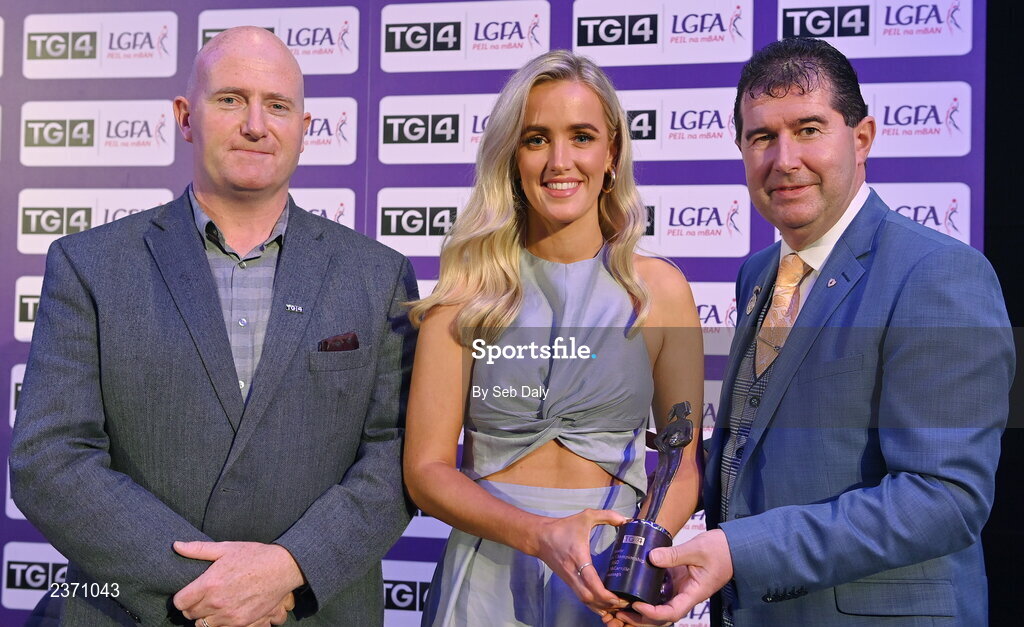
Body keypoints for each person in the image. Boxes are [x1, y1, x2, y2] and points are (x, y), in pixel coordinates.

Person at [10, 26, 416, 627]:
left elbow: (396, 456)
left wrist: (288, 569)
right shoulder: (89, 264)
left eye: (278, 105)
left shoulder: (378, 275)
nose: (256, 124)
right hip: (134, 612)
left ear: (305, 130)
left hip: (310, 610)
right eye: (230, 99)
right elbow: (50, 459)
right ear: (184, 116)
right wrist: (214, 588)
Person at [624, 37, 1014, 626]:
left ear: (861, 139)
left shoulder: (938, 273)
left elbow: (945, 499)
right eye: (761, 137)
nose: (783, 160)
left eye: (808, 129)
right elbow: (760, 444)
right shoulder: (759, 272)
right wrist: (628, 474)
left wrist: (740, 550)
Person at [403, 50, 704, 626]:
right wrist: (541, 536)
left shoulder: (661, 292)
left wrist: (644, 561)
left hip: (612, 577)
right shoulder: (465, 292)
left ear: (612, 152)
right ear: (512, 157)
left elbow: (682, 462)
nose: (559, 161)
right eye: (537, 138)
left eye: (582, 136)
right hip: (487, 570)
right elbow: (426, 471)